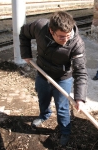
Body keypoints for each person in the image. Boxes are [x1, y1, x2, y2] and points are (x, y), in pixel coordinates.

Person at [19, 11, 88, 145]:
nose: (66, 39)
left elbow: (80, 72)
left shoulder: (76, 44)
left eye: (68, 35)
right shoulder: (39, 27)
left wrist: (80, 98)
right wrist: (25, 53)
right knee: (42, 98)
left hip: (62, 78)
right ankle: (44, 115)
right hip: (42, 73)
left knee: (62, 107)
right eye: (61, 37)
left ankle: (65, 131)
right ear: (51, 31)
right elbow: (23, 32)